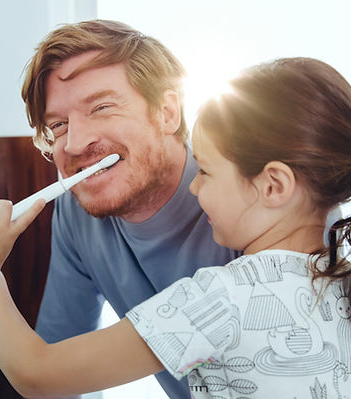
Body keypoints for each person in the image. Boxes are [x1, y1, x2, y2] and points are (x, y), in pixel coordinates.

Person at [0, 57, 351, 398]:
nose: (195, 189)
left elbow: (37, 373)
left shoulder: (217, 298)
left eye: (206, 171)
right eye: (58, 124)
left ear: (274, 185)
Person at [20, 19, 238, 398]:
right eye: (58, 125)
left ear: (168, 112)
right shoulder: (77, 213)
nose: (73, 143)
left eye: (102, 107)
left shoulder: (249, 197)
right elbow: (58, 371)